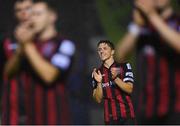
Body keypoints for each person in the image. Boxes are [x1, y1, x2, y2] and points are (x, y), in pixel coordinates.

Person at [2, 0, 75, 124]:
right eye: (33, 14)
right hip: (31, 118)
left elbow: (49, 76)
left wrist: (26, 45)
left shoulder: (63, 43)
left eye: (38, 14)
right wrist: (21, 50)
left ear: (52, 16)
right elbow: (8, 73)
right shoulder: (30, 44)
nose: (32, 18)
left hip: (55, 119)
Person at [116, 0, 180, 124]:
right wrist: (137, 26)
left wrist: (152, 16)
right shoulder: (142, 27)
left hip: (175, 108)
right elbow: (119, 56)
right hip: (146, 108)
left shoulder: (176, 21)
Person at [0, 0, 33, 124]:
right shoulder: (7, 39)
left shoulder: (48, 38)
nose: (24, 13)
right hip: (13, 105)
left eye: (28, 8)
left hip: (42, 103)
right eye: (19, 10)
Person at [92, 40, 135, 124]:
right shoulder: (97, 73)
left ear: (112, 52)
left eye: (105, 48)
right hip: (110, 119)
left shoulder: (124, 66)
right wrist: (99, 83)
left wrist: (115, 79)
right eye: (99, 49)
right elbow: (98, 99)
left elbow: (129, 89)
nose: (101, 51)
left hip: (127, 116)